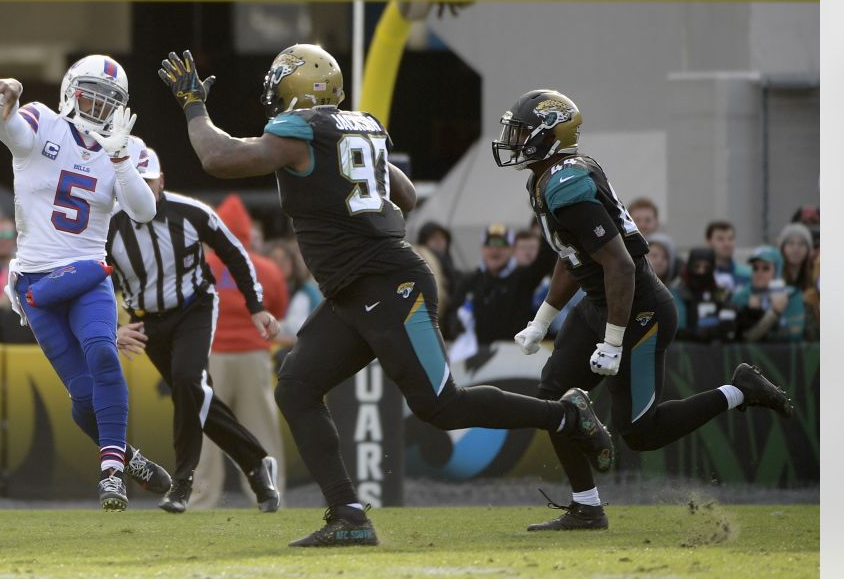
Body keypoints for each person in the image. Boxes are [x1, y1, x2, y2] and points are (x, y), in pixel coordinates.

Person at [160, 45, 613, 547]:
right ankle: (348, 514)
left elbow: (218, 158)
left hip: (386, 283)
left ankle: (567, 414)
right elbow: (407, 194)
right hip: (356, 289)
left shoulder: (299, 128)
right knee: (295, 384)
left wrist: (193, 106)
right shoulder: (362, 125)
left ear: (295, 86)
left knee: (442, 407)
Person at [493, 89, 794, 531]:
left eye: (521, 132)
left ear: (549, 135)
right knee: (553, 395)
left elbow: (618, 262)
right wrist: (541, 320)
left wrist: (614, 341)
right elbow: (572, 252)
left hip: (639, 311)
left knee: (640, 431)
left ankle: (741, 391)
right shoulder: (550, 177)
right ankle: (586, 507)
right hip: (603, 304)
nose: (513, 140)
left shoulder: (565, 183)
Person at [0, 54, 172, 511]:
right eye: (91, 93)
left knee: (104, 353)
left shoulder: (128, 146)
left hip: (86, 272)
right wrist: (8, 97)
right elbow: (6, 127)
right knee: (83, 396)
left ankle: (110, 478)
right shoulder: (43, 121)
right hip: (36, 284)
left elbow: (144, 210)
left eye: (109, 100)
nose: (98, 105)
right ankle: (125, 456)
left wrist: (120, 156)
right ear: (70, 90)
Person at [106, 147, 282, 514]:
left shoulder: (190, 213)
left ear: (162, 181)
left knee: (188, 382)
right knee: (197, 396)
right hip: (146, 320)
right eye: (132, 182)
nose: (141, 190)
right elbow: (93, 279)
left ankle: (183, 482)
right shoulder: (107, 226)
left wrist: (256, 306)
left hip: (193, 308)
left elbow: (234, 252)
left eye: (147, 181)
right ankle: (255, 462)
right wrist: (115, 327)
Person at [191, 194, 290, 512]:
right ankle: (271, 495)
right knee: (261, 432)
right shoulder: (267, 268)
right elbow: (278, 309)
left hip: (212, 356)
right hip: (254, 357)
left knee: (206, 434)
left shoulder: (200, 265)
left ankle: (201, 500)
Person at [448, 222, 555, 349]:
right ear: (482, 248)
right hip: (476, 356)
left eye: (501, 244)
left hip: (515, 355)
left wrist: (545, 220)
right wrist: (456, 324)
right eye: (490, 244)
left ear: (511, 249)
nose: (495, 250)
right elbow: (450, 315)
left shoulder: (523, 278)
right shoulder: (469, 281)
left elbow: (546, 260)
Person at [733, 245, 809, 342]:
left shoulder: (792, 295)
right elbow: (743, 338)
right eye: (755, 268)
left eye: (766, 268)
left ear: (776, 270)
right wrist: (772, 312)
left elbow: (794, 335)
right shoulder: (741, 297)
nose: (759, 273)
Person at [672, 247, 737, 343]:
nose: (701, 272)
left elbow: (729, 328)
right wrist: (694, 333)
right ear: (689, 266)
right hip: (687, 349)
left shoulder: (720, 292)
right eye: (697, 266)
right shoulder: (679, 291)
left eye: (706, 267)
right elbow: (676, 328)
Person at [777, 222, 819, 334]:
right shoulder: (774, 278)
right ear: (782, 248)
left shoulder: (814, 278)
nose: (796, 249)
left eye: (801, 244)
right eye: (791, 244)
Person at [705, 220, 751, 293]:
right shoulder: (702, 275)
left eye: (730, 239)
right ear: (708, 242)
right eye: (720, 239)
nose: (727, 244)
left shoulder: (748, 274)